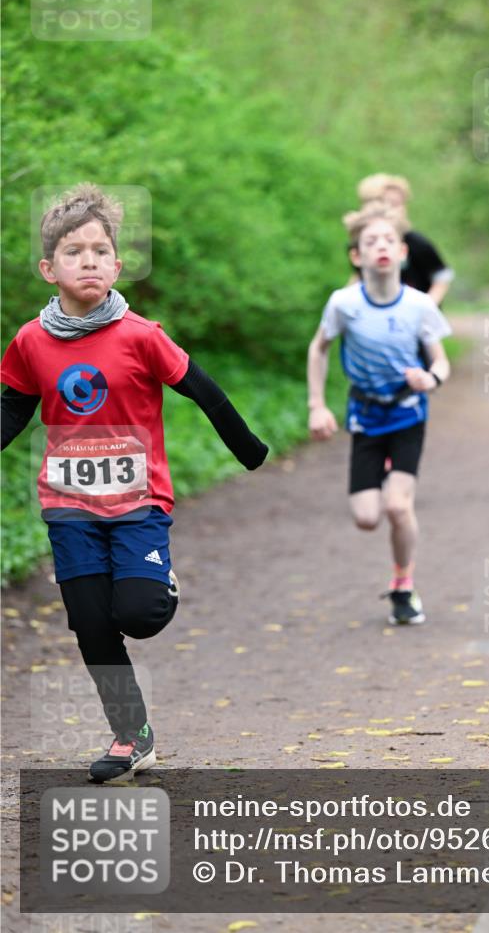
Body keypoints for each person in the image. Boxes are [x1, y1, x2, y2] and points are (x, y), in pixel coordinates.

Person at [1, 183, 268, 783]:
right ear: (49, 269)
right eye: (74, 251)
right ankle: (132, 736)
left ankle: (159, 579)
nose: (88, 260)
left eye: (100, 250)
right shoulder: (30, 342)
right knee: (92, 625)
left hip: (137, 501)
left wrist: (248, 449)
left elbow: (202, 388)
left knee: (141, 613)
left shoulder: (140, 335)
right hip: (68, 505)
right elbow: (13, 408)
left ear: (117, 265)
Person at [308, 203, 451, 626]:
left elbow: (441, 363)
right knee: (367, 517)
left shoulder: (420, 305)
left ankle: (403, 586)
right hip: (365, 416)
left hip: (408, 413)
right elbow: (319, 348)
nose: (381, 247)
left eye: (389, 240)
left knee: (397, 507)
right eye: (371, 242)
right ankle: (388, 486)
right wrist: (317, 405)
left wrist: (431, 379)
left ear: (403, 252)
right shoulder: (344, 303)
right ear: (357, 256)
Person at [350, 174, 455, 305]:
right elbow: (359, 276)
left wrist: (428, 305)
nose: (400, 209)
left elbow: (441, 276)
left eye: (401, 204)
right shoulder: (360, 245)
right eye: (392, 204)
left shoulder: (415, 242)